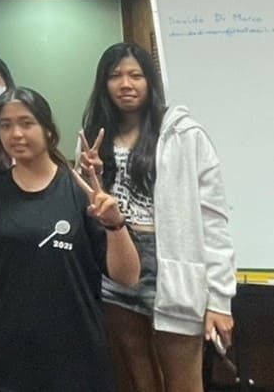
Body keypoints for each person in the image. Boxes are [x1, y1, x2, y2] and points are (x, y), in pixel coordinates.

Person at [79, 42, 235, 392]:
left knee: (184, 382)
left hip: (174, 267)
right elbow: (90, 211)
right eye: (115, 76)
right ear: (103, 83)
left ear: (150, 81)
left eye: (136, 75)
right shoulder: (94, 138)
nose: (126, 84)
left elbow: (213, 221)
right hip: (118, 263)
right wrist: (94, 174)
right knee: (137, 380)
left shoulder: (184, 134)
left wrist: (220, 301)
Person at [0, 88, 140, 392]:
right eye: (6, 125)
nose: (16, 134)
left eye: (26, 123)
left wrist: (115, 224)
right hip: (7, 354)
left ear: (47, 129)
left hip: (77, 354)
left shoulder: (81, 192)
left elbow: (129, 276)